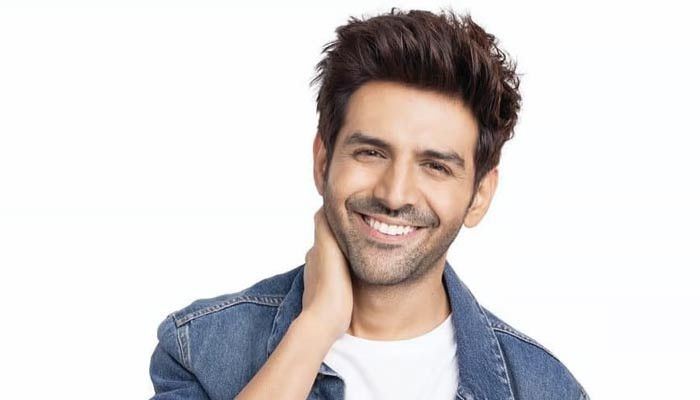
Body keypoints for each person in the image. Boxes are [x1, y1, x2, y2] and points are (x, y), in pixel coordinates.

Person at [149, 8, 588, 400]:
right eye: (372, 153)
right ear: (323, 162)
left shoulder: (544, 389)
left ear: (480, 196)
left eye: (435, 166)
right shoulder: (200, 349)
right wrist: (316, 326)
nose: (394, 195)